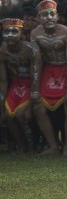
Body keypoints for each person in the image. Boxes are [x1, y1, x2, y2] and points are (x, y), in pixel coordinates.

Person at [30, 0, 67, 155]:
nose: (48, 17)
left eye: (51, 14)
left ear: (57, 16)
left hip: (66, 70)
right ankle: (53, 145)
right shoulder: (35, 34)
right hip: (49, 70)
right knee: (37, 105)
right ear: (38, 18)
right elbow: (37, 62)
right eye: (44, 15)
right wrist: (35, 89)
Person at [0, 11, 33, 153]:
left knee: (20, 115)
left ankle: (31, 147)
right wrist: (2, 105)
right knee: (8, 116)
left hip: (30, 84)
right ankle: (21, 146)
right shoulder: (3, 51)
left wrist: (32, 100)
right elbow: (3, 80)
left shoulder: (31, 49)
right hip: (15, 84)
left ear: (22, 33)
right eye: (6, 31)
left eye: (14, 31)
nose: (10, 35)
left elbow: (35, 76)